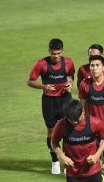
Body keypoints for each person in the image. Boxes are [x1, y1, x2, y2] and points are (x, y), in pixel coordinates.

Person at [27, 38, 75, 174]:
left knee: (68, 131)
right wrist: (43, 86)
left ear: (62, 51)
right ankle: (55, 160)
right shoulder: (41, 64)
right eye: (54, 53)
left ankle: (67, 163)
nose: (56, 56)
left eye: (59, 53)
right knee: (51, 132)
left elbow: (71, 76)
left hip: (65, 100)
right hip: (49, 102)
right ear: (49, 51)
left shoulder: (69, 62)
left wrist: (70, 84)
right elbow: (30, 81)